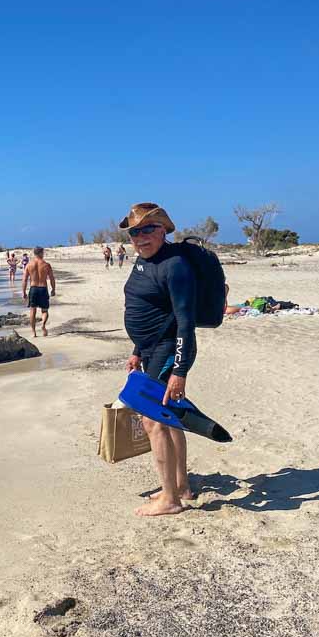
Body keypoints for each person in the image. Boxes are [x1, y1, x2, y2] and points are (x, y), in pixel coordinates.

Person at [121, 202, 196, 517]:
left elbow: (185, 321)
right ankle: (181, 485)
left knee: (153, 420)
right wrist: (138, 349)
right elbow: (149, 309)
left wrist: (179, 371)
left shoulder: (174, 265)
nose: (140, 237)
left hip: (170, 350)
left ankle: (169, 499)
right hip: (150, 349)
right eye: (134, 231)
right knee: (169, 417)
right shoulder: (141, 262)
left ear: (163, 229)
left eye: (147, 229)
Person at [22, 246, 56, 337]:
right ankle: (43, 326)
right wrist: (53, 289)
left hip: (33, 289)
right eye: (43, 253)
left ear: (34, 253)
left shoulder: (29, 265)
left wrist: (24, 292)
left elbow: (24, 280)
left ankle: (33, 332)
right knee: (44, 310)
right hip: (43, 288)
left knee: (33, 311)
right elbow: (52, 278)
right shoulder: (46, 265)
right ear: (41, 253)